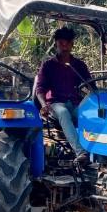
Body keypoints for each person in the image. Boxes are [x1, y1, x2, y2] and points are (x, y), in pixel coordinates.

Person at [35, 27, 92, 164]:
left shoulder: (79, 65)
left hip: (75, 103)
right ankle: (81, 152)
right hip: (56, 104)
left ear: (72, 45)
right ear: (56, 44)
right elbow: (40, 88)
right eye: (61, 43)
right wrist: (44, 105)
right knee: (63, 112)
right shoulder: (48, 65)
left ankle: (98, 151)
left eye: (67, 43)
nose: (64, 47)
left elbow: (90, 84)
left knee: (90, 114)